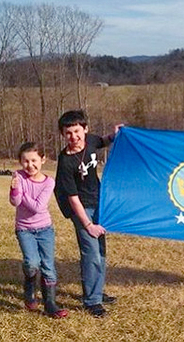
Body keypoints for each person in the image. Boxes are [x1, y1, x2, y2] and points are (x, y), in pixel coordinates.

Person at [54, 110, 122, 318]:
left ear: (85, 129)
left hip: (99, 202)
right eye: (68, 133)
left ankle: (97, 292)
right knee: (90, 252)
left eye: (76, 131)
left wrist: (115, 134)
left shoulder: (90, 141)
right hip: (80, 208)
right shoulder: (66, 161)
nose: (73, 137)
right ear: (63, 135)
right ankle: (92, 302)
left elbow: (103, 141)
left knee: (100, 251)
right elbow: (72, 197)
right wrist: (87, 224)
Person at [9, 142, 68, 319]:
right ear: (20, 162)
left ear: (43, 160)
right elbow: (15, 202)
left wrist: (21, 190)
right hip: (24, 230)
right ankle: (29, 288)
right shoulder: (18, 176)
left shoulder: (49, 182)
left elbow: (38, 207)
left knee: (48, 266)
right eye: (25, 161)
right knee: (31, 263)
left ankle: (50, 303)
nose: (30, 165)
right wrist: (15, 189)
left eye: (34, 160)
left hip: (45, 230)